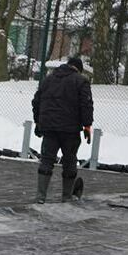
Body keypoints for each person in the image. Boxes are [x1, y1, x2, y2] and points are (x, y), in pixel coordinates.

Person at [31, 56, 93, 203]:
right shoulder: (81, 81)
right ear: (78, 69)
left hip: (50, 128)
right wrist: (87, 126)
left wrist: (39, 122)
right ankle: (66, 197)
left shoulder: (48, 79)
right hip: (70, 130)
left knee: (46, 161)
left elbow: (36, 102)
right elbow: (86, 105)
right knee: (70, 161)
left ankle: (40, 197)